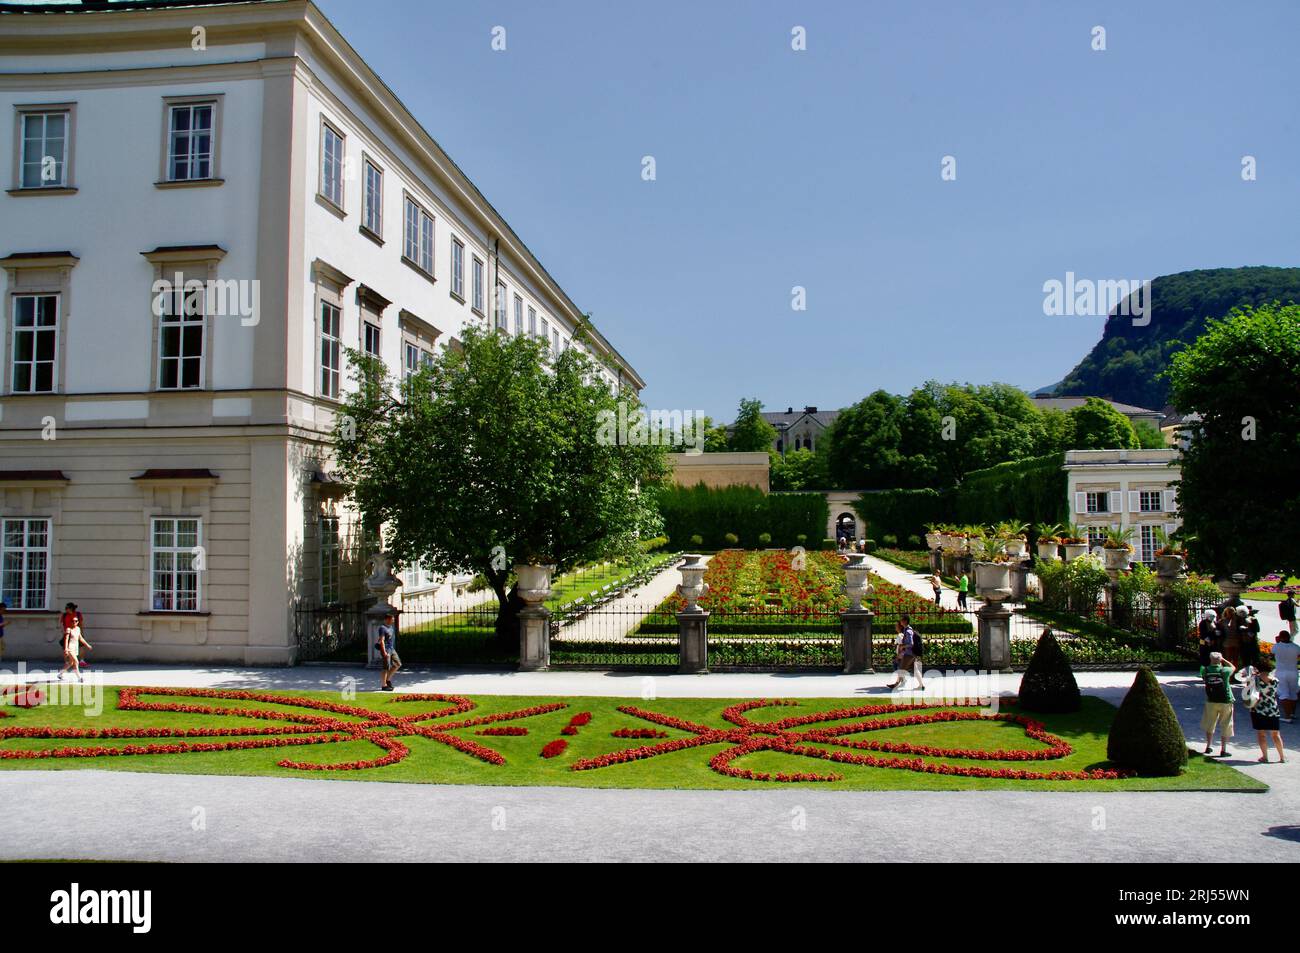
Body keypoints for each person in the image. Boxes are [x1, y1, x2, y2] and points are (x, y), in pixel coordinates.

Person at [1237, 658, 1284, 763]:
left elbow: (1248, 691)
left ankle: (1265, 757)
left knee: (1261, 734)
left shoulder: (1255, 679)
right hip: (1273, 709)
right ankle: (1282, 757)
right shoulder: (1275, 680)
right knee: (1276, 734)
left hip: (1258, 709)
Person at [1198, 651, 1235, 758]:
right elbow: (1233, 667)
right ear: (1220, 660)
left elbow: (1203, 677)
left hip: (1211, 700)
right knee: (1226, 724)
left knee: (1210, 723)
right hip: (1225, 700)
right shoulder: (1225, 670)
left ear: (1210, 659)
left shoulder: (1205, 670)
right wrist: (1223, 660)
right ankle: (1223, 749)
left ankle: (1208, 746)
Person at [58, 602, 90, 682]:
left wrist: (88, 645)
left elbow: (81, 638)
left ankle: (60, 674)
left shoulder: (78, 628)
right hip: (70, 647)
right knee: (76, 661)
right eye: (72, 621)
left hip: (75, 646)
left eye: (76, 621)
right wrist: (66, 649)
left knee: (71, 663)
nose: (74, 622)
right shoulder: (68, 628)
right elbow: (66, 639)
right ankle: (79, 677)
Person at [1270, 631, 1298, 723]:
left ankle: (1287, 716)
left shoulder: (1277, 646)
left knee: (1284, 693)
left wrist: (1278, 642)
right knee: (1293, 693)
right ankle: (1292, 713)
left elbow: (1272, 653)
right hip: (1293, 672)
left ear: (1280, 637)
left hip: (1281, 672)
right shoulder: (1296, 647)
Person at [884, 617, 917, 691]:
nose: (895, 627)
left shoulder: (901, 634)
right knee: (901, 668)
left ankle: (899, 682)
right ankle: (902, 681)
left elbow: (901, 646)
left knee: (899, 667)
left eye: (896, 626)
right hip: (906, 655)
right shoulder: (903, 633)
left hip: (904, 655)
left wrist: (898, 655)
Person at [376, 612, 401, 691]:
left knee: (397, 664)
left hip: (391, 649)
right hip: (386, 650)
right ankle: (384, 685)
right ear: (387, 619)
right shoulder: (382, 628)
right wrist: (384, 653)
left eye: (393, 619)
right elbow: (382, 641)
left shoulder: (390, 627)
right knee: (386, 667)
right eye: (392, 619)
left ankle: (388, 680)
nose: (393, 620)